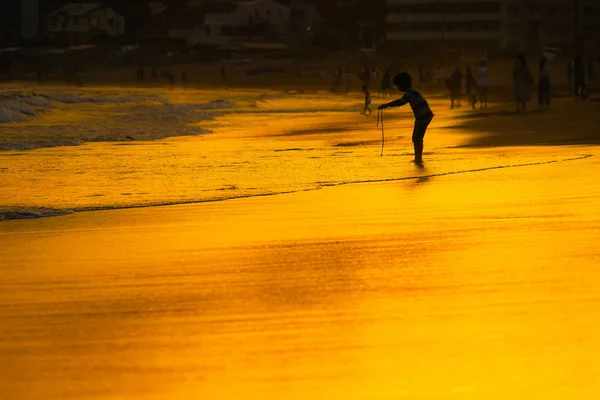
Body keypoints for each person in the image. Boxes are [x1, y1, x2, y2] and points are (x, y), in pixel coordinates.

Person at [377, 72, 434, 164]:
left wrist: (387, 105)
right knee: (416, 137)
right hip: (425, 116)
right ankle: (418, 158)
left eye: (398, 86)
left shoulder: (408, 94)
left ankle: (418, 159)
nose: (398, 88)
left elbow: (400, 102)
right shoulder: (412, 91)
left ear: (401, 85)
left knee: (417, 138)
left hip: (423, 117)